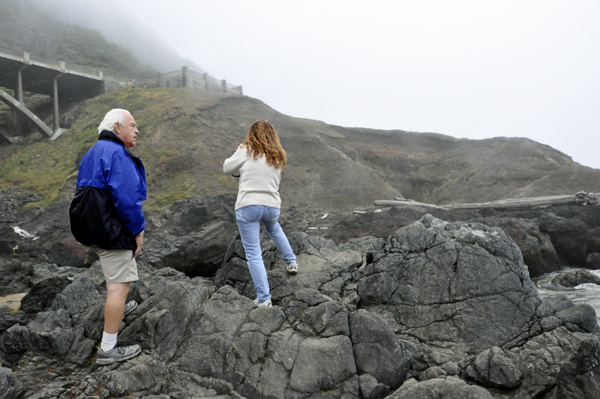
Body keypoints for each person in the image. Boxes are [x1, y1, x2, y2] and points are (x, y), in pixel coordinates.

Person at [69, 108, 146, 364]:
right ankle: (108, 349)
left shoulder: (92, 151)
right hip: (109, 230)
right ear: (117, 128)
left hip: (87, 228)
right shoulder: (117, 153)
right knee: (118, 287)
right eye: (132, 125)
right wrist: (138, 232)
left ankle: (119, 310)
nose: (137, 130)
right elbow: (128, 201)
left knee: (115, 281)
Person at [223, 120, 298, 307]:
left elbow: (227, 168)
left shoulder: (246, 151)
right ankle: (291, 262)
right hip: (271, 206)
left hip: (248, 206)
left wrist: (238, 149)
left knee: (254, 253)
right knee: (274, 228)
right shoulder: (278, 156)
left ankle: (264, 299)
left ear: (251, 134)